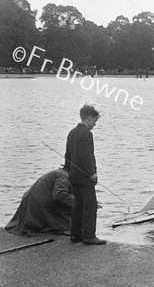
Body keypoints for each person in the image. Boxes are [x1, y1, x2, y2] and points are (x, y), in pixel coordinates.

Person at [65, 104, 106, 245]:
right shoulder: (87, 134)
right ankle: (89, 236)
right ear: (89, 118)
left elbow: (67, 155)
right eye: (94, 121)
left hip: (73, 176)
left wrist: (67, 170)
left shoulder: (72, 132)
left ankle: (75, 235)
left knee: (77, 205)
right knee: (90, 206)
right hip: (84, 178)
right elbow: (86, 156)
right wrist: (92, 174)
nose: (94, 125)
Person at [5, 166, 74, 236]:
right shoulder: (63, 176)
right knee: (71, 226)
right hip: (39, 210)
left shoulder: (61, 173)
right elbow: (59, 195)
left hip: (33, 206)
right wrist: (79, 204)